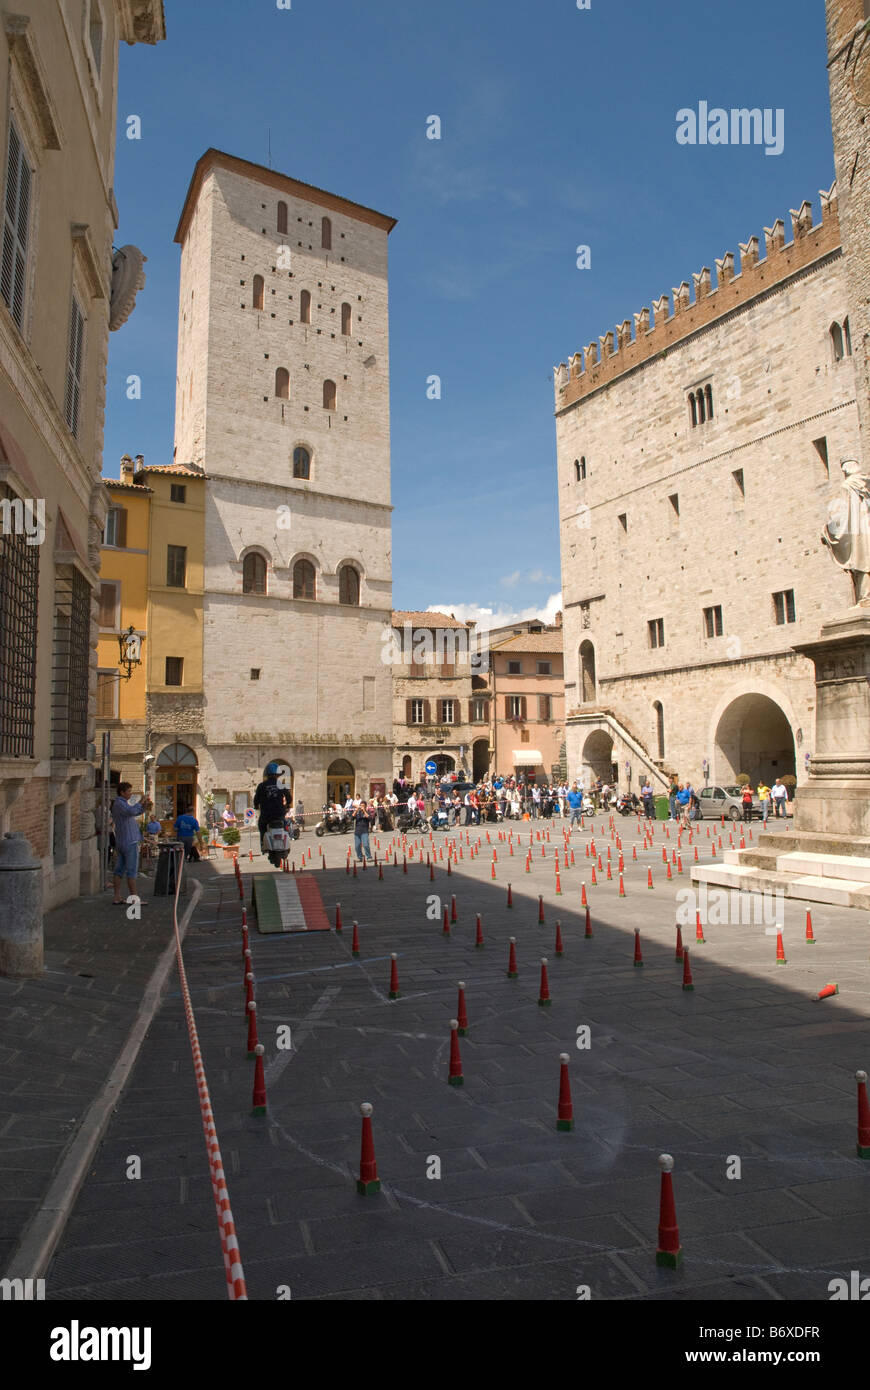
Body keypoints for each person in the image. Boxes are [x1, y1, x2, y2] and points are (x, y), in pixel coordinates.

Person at [111, 782, 152, 906]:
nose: (130, 794)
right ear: (122, 792)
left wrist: (144, 805)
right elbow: (131, 811)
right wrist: (141, 802)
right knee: (131, 871)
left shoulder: (121, 804)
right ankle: (134, 898)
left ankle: (117, 896)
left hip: (123, 840)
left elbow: (135, 812)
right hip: (129, 841)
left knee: (119, 870)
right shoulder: (119, 804)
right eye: (128, 791)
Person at [253, 763, 292, 853]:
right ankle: (288, 840)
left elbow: (256, 799)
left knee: (262, 826)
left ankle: (263, 843)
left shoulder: (261, 786)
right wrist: (287, 805)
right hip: (279, 814)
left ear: (267, 774)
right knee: (285, 825)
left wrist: (256, 806)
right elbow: (289, 798)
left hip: (266, 815)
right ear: (277, 775)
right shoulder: (280, 784)